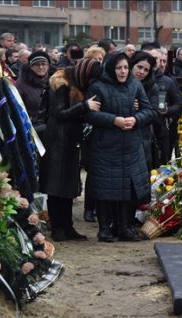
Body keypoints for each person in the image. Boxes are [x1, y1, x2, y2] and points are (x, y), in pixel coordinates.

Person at [85, 53, 155, 242]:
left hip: (131, 145)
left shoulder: (135, 85)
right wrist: (113, 120)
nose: (123, 71)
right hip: (106, 144)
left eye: (125, 67)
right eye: (118, 68)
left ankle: (124, 227)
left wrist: (136, 119)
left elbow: (149, 110)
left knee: (128, 188)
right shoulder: (98, 87)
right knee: (105, 188)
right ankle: (104, 229)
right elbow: (91, 115)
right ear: (110, 69)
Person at [40, 58, 102, 241]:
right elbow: (59, 113)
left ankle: (67, 227)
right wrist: (84, 106)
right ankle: (58, 228)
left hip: (69, 140)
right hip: (57, 141)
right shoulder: (62, 85)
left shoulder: (75, 83)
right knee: (56, 187)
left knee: (67, 186)